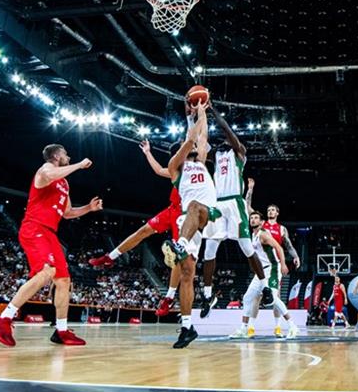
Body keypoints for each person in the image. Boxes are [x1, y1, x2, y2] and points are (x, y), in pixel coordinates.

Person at [0, 144, 102, 347]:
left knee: (64, 281)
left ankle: (61, 330)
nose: (68, 156)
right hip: (34, 228)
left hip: (50, 233)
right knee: (46, 272)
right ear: (57, 155)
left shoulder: (65, 184)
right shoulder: (46, 169)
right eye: (65, 154)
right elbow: (50, 175)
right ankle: (4, 318)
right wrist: (78, 165)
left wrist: (89, 208)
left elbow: (67, 213)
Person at [88, 140, 184, 317]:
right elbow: (158, 170)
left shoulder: (197, 167)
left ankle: (169, 298)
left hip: (185, 215)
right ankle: (111, 257)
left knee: (179, 256)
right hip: (172, 209)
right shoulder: (176, 171)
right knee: (142, 231)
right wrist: (148, 152)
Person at [199, 110, 265, 317]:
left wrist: (213, 112)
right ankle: (207, 295)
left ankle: (266, 288)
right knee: (209, 251)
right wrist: (197, 115)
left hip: (235, 202)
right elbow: (201, 139)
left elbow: (228, 132)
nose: (222, 143)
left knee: (246, 247)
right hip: (217, 204)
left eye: (224, 141)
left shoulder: (239, 153)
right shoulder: (215, 156)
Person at [162, 102, 216, 348]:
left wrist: (202, 110)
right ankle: (187, 327)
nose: (196, 147)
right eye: (191, 147)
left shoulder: (202, 161)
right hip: (188, 220)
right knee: (186, 274)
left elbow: (201, 135)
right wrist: (192, 120)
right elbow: (192, 138)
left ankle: (179, 244)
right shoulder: (175, 168)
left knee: (194, 205)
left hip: (207, 213)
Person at [228, 210, 298, 339]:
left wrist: (283, 264)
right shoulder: (252, 235)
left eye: (256, 218)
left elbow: (279, 247)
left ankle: (292, 326)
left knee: (273, 298)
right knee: (247, 298)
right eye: (251, 218)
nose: (253, 220)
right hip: (260, 271)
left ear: (261, 222)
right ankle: (244, 328)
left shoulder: (263, 235)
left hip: (271, 269)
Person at [259, 203, 301, 336]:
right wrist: (250, 191)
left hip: (274, 265)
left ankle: (277, 326)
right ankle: (248, 327)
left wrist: (295, 256)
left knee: (275, 295)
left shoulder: (282, 229)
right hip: (259, 264)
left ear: (277, 213)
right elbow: (248, 209)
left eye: (273, 210)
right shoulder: (261, 225)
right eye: (268, 210)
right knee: (253, 297)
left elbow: (288, 245)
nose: (270, 211)